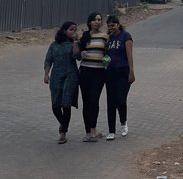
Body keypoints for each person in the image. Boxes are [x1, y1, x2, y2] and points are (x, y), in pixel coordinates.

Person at [44, 21, 80, 144]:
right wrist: (46, 74)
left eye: (75, 30)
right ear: (64, 30)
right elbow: (48, 60)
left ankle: (63, 133)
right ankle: (63, 123)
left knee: (66, 104)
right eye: (71, 29)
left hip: (71, 75)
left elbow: (77, 56)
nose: (73, 32)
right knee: (55, 105)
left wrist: (76, 42)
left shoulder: (74, 44)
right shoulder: (54, 45)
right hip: (56, 76)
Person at [77, 12, 108, 142]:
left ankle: (94, 129)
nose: (97, 22)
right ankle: (88, 132)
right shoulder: (84, 36)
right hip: (85, 72)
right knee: (86, 101)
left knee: (94, 100)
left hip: (99, 73)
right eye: (95, 20)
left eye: (99, 20)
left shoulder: (105, 36)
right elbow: (78, 56)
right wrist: (81, 52)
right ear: (89, 22)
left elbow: (108, 53)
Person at [104, 16, 135, 141]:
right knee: (110, 101)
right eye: (109, 25)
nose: (111, 27)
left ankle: (123, 123)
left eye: (113, 25)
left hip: (123, 71)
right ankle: (111, 130)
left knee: (121, 99)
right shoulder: (109, 39)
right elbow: (105, 54)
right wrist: (106, 41)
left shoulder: (125, 36)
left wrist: (131, 71)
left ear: (118, 25)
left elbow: (129, 55)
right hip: (110, 72)